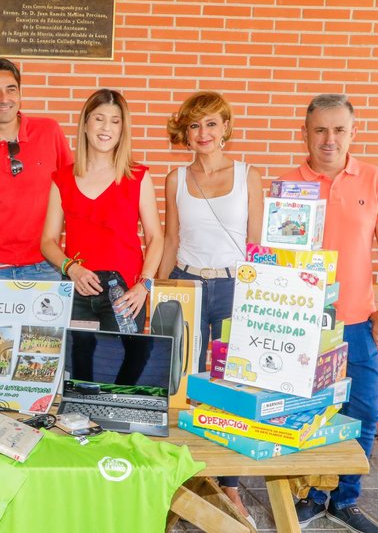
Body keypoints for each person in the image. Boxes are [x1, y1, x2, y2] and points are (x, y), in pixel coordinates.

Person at [286, 94, 378, 533]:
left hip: (356, 323)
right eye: (320, 129)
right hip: (300, 325)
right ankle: (309, 495)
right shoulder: (288, 185)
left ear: (353, 133)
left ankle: (345, 499)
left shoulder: (374, 180)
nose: (329, 139)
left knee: (361, 413)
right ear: (305, 132)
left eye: (339, 129)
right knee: (307, 412)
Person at [159, 90, 262, 526]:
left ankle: (230, 486)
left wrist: (260, 298)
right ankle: (183, 480)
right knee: (182, 382)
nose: (203, 133)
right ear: (185, 131)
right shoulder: (174, 179)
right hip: (186, 285)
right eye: (195, 125)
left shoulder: (249, 176)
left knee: (233, 387)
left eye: (212, 124)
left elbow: (257, 247)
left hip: (235, 288)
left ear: (226, 129)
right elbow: (170, 239)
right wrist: (156, 290)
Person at [40, 89, 162, 380]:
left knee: (126, 372)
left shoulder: (137, 177)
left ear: (123, 129)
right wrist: (71, 268)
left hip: (125, 295)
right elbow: (47, 241)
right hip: (79, 289)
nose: (106, 128)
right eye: (99, 118)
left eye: (115, 121)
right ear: (85, 124)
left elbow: (157, 238)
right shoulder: (62, 179)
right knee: (82, 375)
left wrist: (143, 285)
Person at [0, 57, 73, 298]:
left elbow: (73, 193)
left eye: (11, 89)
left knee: (43, 338)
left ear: (20, 93)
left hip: (46, 266)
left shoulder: (49, 132)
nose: (4, 99)